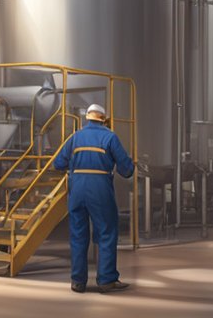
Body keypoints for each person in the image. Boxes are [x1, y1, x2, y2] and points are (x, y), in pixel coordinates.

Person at [51, 103, 135, 294]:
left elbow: (58, 164)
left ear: (87, 118)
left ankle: (78, 282)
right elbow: (127, 170)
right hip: (100, 189)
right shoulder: (110, 136)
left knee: (78, 235)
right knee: (106, 232)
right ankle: (106, 280)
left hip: (77, 190)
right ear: (104, 119)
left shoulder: (75, 137)